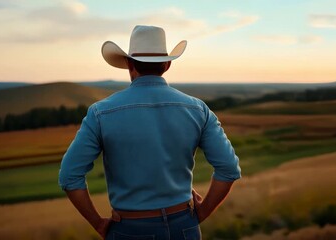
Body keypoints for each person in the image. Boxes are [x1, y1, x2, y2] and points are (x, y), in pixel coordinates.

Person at [59, 25, 241, 240]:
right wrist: (201, 212)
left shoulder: (100, 113)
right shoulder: (198, 109)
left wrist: (98, 223)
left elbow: (70, 176)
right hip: (184, 226)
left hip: (129, 230)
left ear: (129, 63)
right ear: (167, 64)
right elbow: (229, 168)